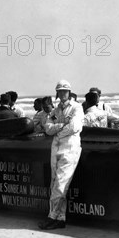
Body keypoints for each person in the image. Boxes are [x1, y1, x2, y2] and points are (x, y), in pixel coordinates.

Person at [39, 80, 84, 230]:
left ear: (69, 92)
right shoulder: (55, 111)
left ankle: (51, 216)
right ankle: (60, 218)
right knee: (55, 183)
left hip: (70, 150)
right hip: (56, 149)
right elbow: (47, 128)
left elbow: (74, 127)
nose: (63, 93)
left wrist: (58, 131)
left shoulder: (77, 108)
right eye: (60, 91)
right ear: (57, 93)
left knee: (60, 184)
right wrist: (61, 127)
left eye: (65, 90)